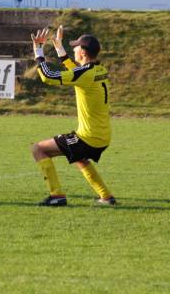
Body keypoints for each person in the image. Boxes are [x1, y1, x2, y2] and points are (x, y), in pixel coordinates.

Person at [30, 26, 115, 206]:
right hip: (102, 136)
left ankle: (56, 196)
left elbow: (48, 76)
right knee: (79, 157)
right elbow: (76, 71)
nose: (74, 49)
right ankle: (106, 197)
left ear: (83, 52)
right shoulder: (99, 70)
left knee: (38, 149)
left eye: (76, 46)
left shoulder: (85, 74)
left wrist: (38, 51)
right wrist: (59, 47)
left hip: (88, 137)